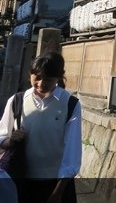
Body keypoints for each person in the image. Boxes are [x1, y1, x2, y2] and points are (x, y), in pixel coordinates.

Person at [0, 51, 82, 203]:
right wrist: (10, 141)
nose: (41, 84)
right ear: (29, 74)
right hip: (20, 183)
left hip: (54, 184)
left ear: (58, 77)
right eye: (37, 77)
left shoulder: (70, 104)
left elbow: (72, 153)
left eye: (48, 79)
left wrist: (58, 192)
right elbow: (2, 136)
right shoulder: (17, 101)